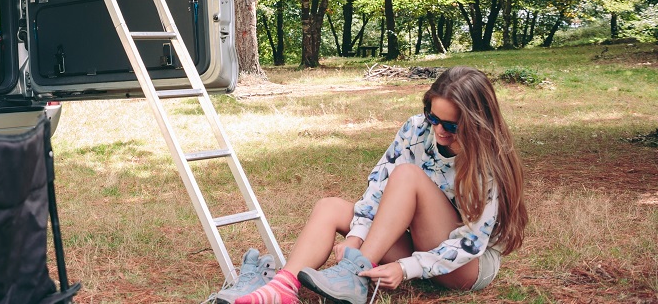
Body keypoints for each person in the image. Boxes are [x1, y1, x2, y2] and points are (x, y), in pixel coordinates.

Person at [220, 66, 527, 304]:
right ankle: (282, 287)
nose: (439, 131)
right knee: (331, 208)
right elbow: (379, 188)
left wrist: (406, 268)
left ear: (477, 122)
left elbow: (469, 244)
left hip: (464, 266)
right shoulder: (416, 129)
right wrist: (356, 237)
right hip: (417, 242)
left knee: (407, 176)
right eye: (432, 118)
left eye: (451, 126)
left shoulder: (489, 161)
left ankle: (354, 272)